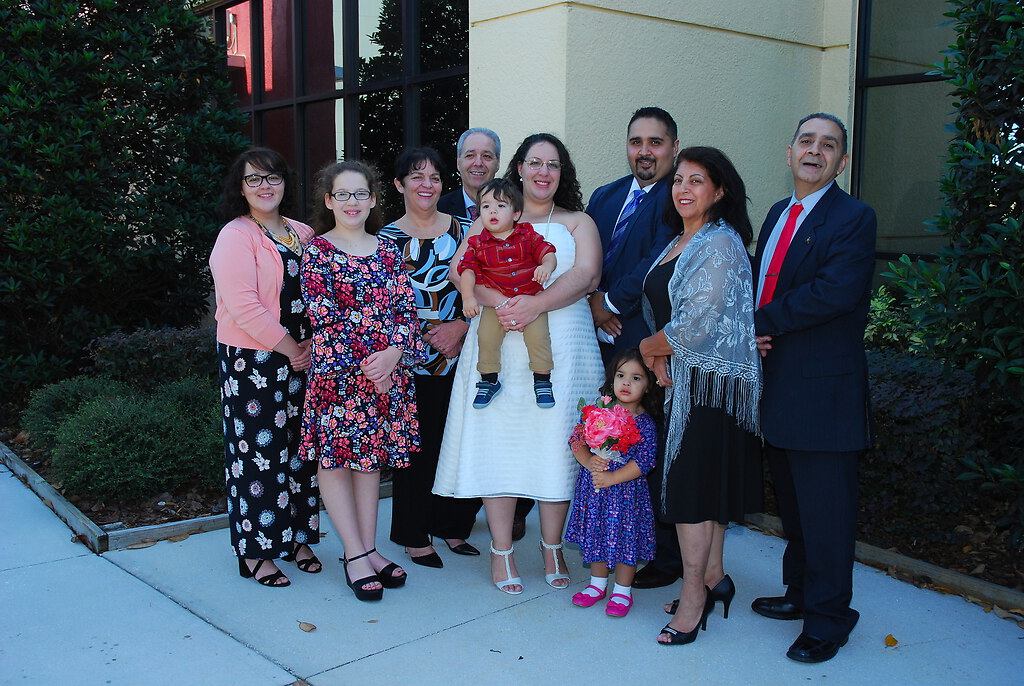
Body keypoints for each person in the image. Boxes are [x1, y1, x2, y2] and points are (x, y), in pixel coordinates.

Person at [434, 133, 604, 595]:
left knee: (555, 447)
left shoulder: (577, 221)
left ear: (563, 172)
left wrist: (536, 305)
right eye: (534, 162)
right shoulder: (492, 215)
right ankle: (502, 550)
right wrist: (505, 303)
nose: (543, 172)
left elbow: (587, 274)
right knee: (500, 446)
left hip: (562, 351)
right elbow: (459, 270)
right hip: (500, 351)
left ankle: (552, 546)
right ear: (520, 169)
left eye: (553, 164)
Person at [750, 114, 876, 664]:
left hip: (823, 393)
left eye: (828, 145)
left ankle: (829, 620)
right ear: (789, 152)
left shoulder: (854, 217)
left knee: (826, 514)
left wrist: (755, 322)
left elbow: (833, 293)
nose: (815, 151)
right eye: (806, 141)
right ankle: (800, 594)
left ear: (841, 162)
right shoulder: (780, 213)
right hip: (776, 384)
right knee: (796, 508)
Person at [638, 147, 762, 646]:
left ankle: (692, 599)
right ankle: (713, 578)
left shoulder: (720, 242)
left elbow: (696, 322)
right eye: (678, 180)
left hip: (707, 391)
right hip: (683, 383)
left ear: (720, 190)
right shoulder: (680, 240)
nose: (683, 189)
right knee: (704, 493)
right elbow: (665, 310)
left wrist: (647, 349)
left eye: (696, 180)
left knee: (692, 497)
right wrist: (658, 356)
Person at [299, 160, 426, 601]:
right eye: (342, 194)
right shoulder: (317, 252)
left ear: (373, 200)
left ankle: (369, 549)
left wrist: (394, 357)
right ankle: (353, 554)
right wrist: (373, 368)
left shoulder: (390, 250)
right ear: (329, 201)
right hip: (339, 378)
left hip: (386, 375)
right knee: (335, 462)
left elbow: (406, 312)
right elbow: (325, 318)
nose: (351, 202)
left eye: (360, 194)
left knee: (369, 463)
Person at [210, 147, 322, 588]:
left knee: (300, 452)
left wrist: (311, 346)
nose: (264, 186)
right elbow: (243, 306)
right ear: (240, 188)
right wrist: (291, 348)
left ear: (285, 182)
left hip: (303, 357)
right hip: (253, 360)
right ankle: (256, 551)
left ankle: (297, 538)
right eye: (253, 179)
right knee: (258, 456)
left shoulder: (303, 232)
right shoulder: (235, 236)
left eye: (272, 177)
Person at [585, 107, 682, 590]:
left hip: (644, 345)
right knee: (603, 443)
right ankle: (607, 543)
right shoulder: (604, 196)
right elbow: (584, 256)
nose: (644, 152)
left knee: (650, 448)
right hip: (599, 344)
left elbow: (655, 259)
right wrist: (591, 299)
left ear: (673, 148)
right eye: (636, 141)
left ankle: (663, 555)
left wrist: (607, 303)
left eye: (655, 142)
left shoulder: (677, 198)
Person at [378, 147, 483, 569]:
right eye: (417, 177)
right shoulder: (384, 241)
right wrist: (418, 339)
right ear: (399, 184)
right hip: (408, 360)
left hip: (465, 353)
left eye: (435, 177)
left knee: (462, 441)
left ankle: (452, 525)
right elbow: (380, 306)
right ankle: (413, 534)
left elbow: (489, 287)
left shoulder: (467, 231)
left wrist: (460, 327)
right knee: (416, 447)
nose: (427, 184)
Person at [565, 348, 661, 618]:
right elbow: (576, 440)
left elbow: (645, 461)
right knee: (596, 535)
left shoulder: (644, 423)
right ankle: (597, 585)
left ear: (648, 385)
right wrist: (588, 461)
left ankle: (622, 590)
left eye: (636, 378)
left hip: (625, 494)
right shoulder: (598, 411)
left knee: (625, 540)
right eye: (621, 375)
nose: (626, 383)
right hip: (595, 492)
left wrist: (613, 477)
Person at [458, 178, 557, 409]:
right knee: (486, 336)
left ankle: (542, 380)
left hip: (531, 297)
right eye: (486, 206)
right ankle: (489, 380)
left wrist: (546, 266)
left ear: (516, 213)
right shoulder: (477, 243)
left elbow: (548, 253)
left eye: (501, 205)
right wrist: (468, 297)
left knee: (539, 337)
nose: (492, 211)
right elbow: (466, 271)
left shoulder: (527, 235)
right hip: (496, 302)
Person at [437, 128, 501, 221]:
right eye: (470, 155)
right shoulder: (438, 209)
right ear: (458, 163)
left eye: (487, 156)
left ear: (497, 164)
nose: (478, 163)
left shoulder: (513, 210)